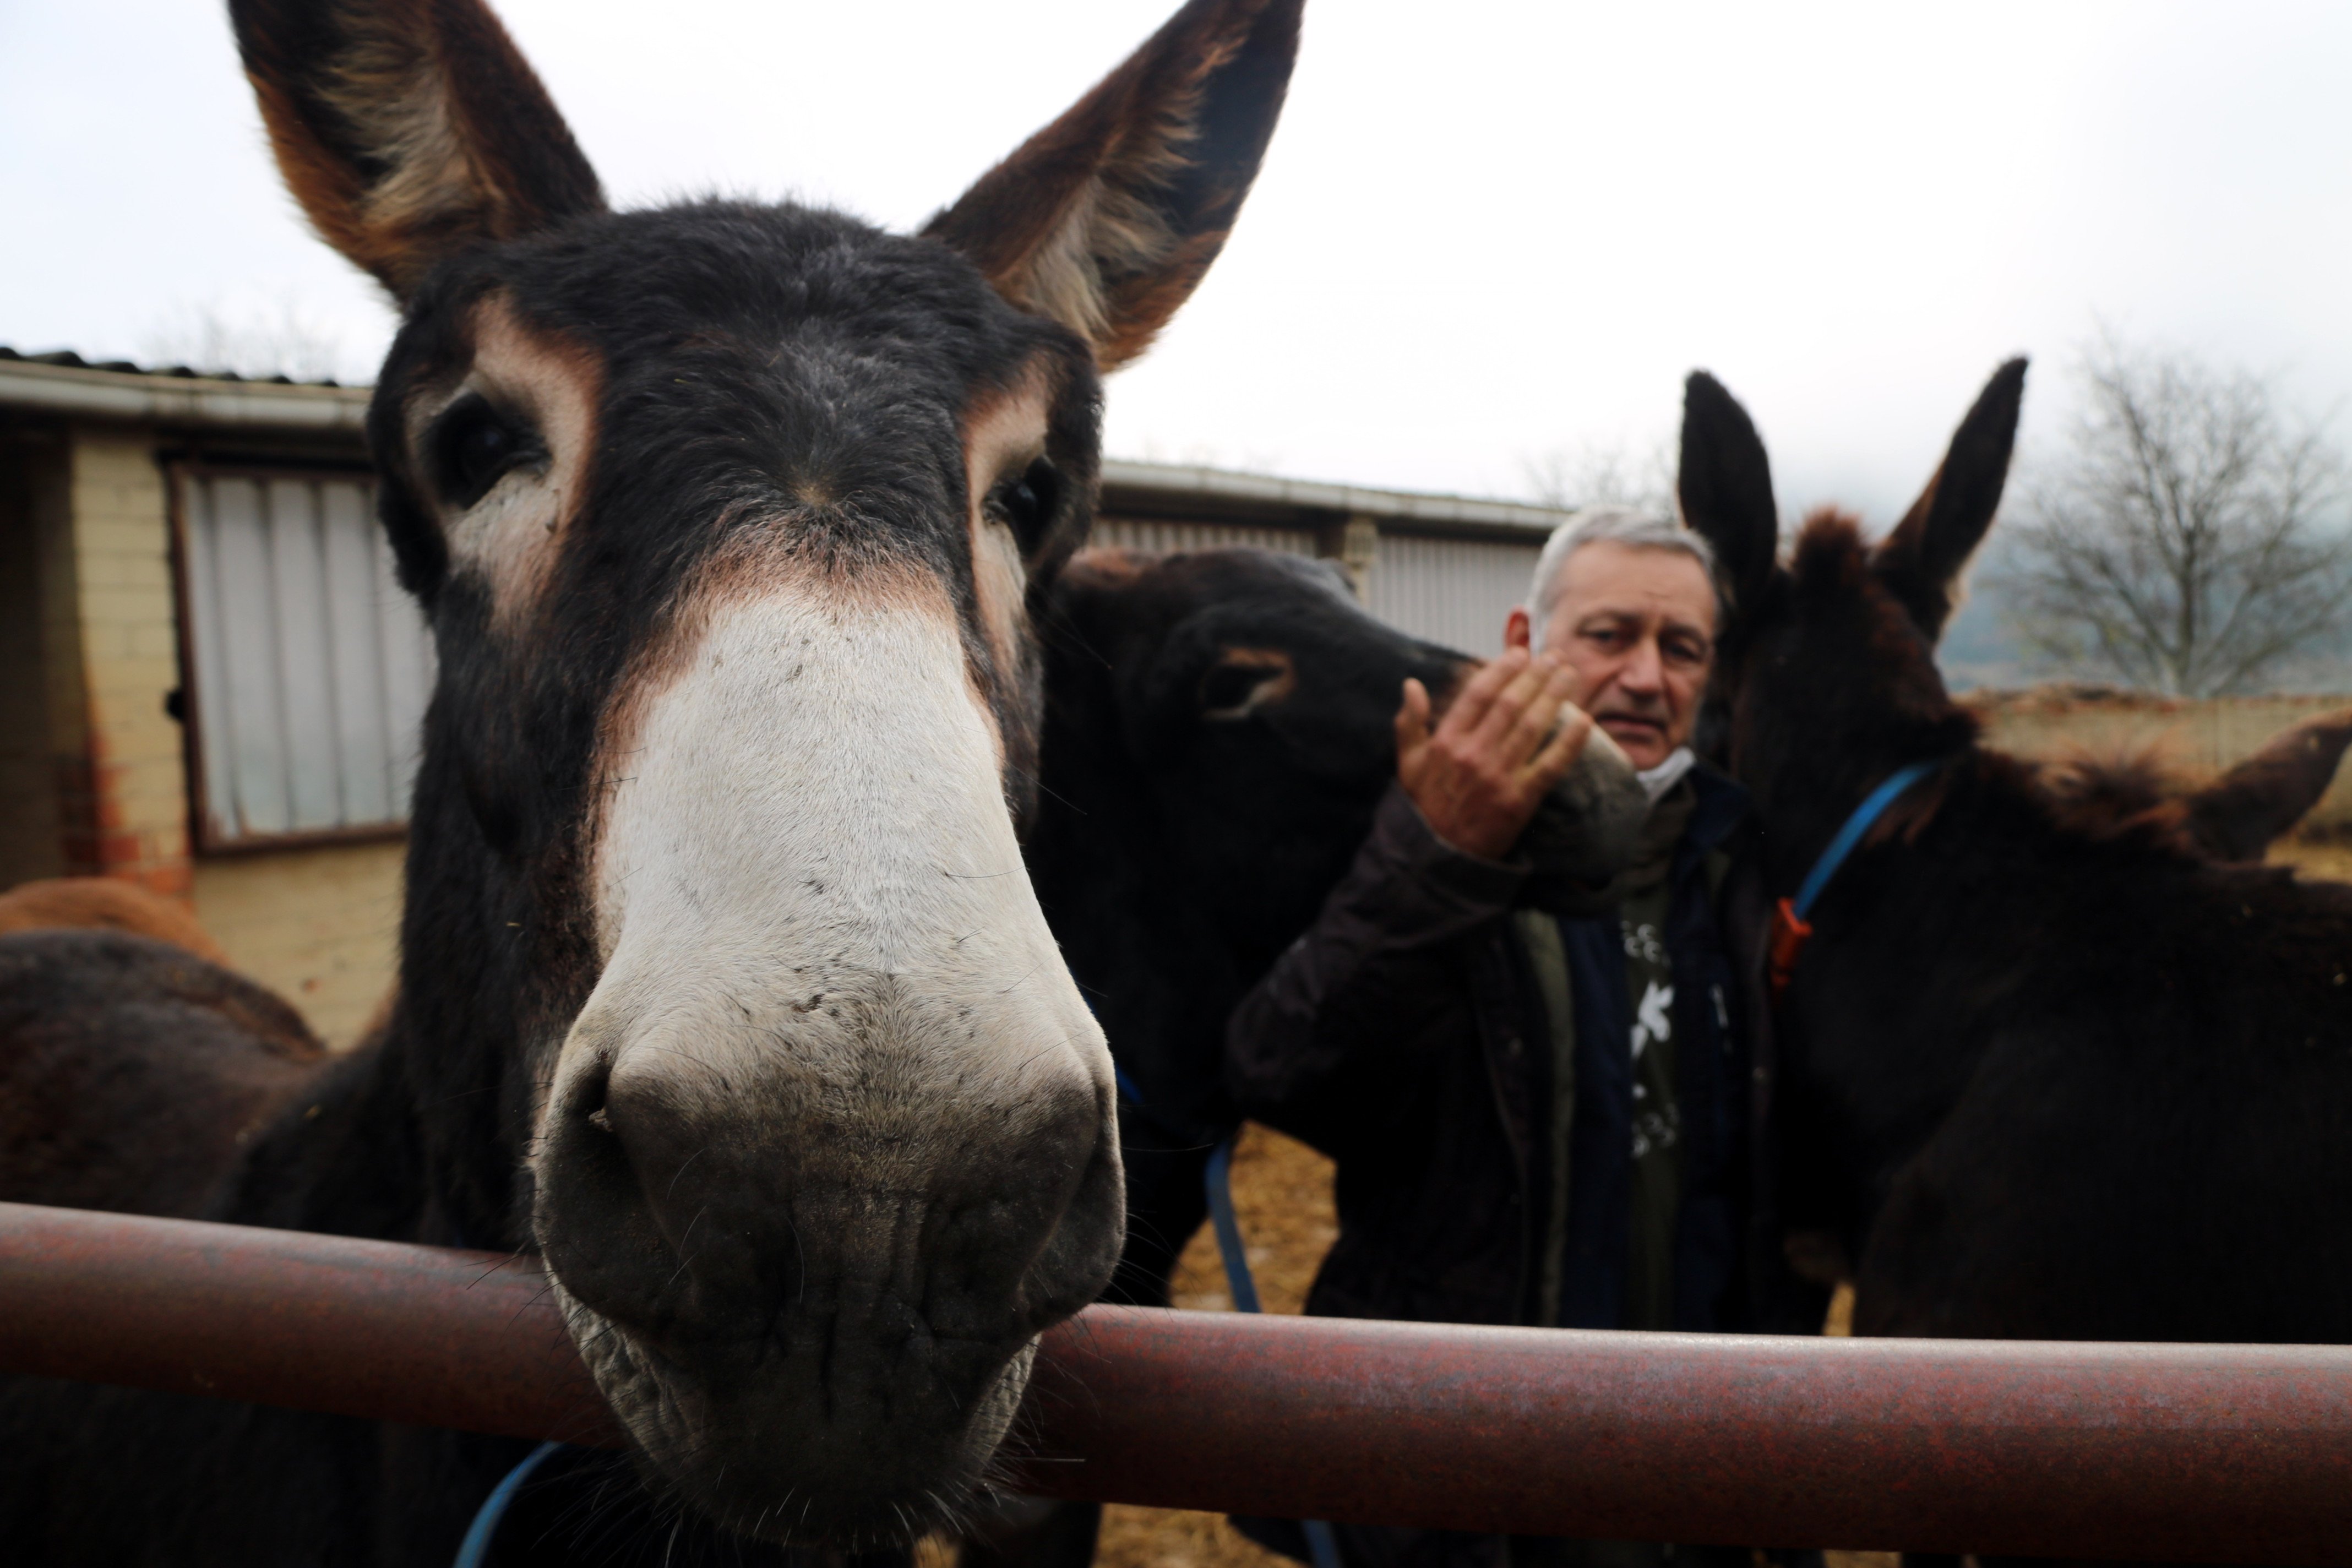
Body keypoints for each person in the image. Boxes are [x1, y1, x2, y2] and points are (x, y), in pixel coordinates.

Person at [1223, 507, 1821, 1568]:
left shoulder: (1745, 860)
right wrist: (1439, 853)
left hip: (1700, 1466)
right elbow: (1287, 1073)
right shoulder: (1417, 823)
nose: (1646, 676)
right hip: (1471, 1486)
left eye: (1681, 648)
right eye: (1608, 635)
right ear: (1520, 646)